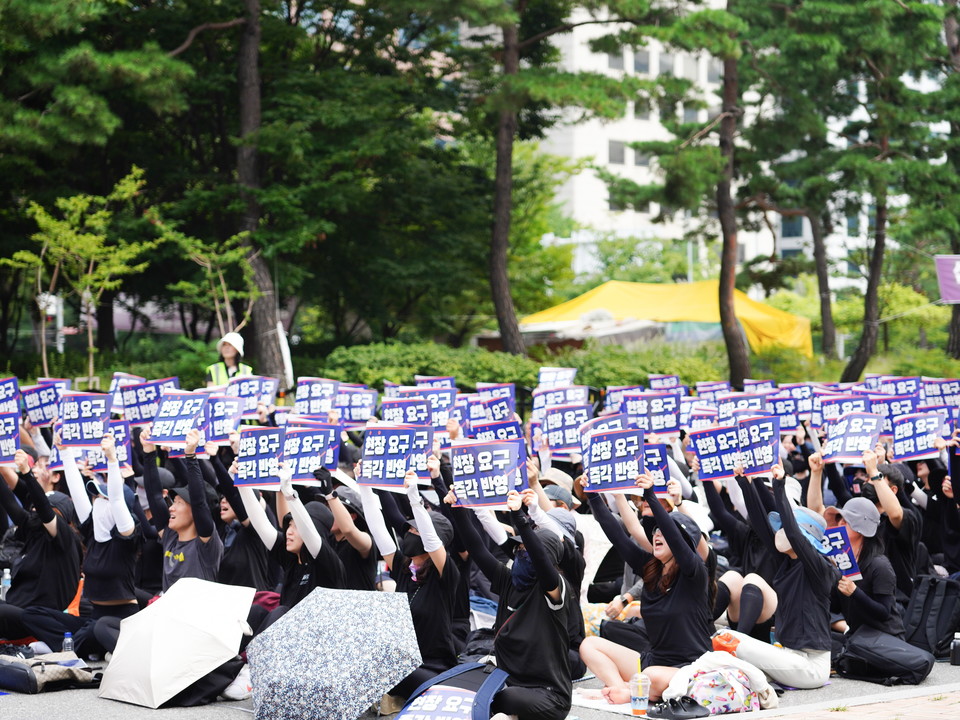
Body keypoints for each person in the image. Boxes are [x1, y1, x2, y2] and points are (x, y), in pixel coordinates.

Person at [579, 473, 712, 704]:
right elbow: (617, 536)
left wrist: (650, 495)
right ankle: (621, 689)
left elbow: (679, 542)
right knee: (589, 645)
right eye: (655, 531)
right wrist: (592, 496)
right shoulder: (651, 569)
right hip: (653, 661)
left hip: (691, 668)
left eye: (664, 530)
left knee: (649, 677)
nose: (657, 534)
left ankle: (632, 691)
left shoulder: (695, 573)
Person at [447, 486, 573, 720]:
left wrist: (520, 518)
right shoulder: (508, 580)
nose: (520, 553)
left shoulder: (554, 589)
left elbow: (542, 562)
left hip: (547, 696)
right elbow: (477, 548)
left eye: (526, 549)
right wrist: (456, 508)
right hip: (505, 682)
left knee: (500, 698)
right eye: (519, 548)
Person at [720, 461, 839, 689]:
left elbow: (794, 534)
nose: (779, 533)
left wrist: (779, 483)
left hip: (811, 666)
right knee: (726, 640)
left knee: (729, 641)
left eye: (784, 528)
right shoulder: (786, 561)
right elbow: (761, 523)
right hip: (787, 654)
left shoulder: (819, 568)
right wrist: (745, 481)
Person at [21, 433, 142, 656]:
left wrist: (112, 460)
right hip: (92, 618)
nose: (98, 503)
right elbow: (79, 494)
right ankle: (68, 647)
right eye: (96, 499)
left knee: (97, 628)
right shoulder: (92, 534)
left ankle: (64, 649)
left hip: (118, 621)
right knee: (32, 614)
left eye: (102, 499)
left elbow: (115, 498)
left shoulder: (126, 537)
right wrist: (65, 452)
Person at [358, 468, 460, 707]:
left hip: (434, 669)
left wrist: (414, 497)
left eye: (416, 530)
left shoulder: (445, 574)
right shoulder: (404, 568)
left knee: (389, 672)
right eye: (411, 529)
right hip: (401, 663)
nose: (410, 533)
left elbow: (432, 538)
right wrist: (364, 484)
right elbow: (377, 528)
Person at [0, 449, 83, 642]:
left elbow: (45, 510)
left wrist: (27, 473)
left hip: (39, 619)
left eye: (40, 507)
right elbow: (9, 501)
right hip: (15, 614)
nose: (35, 511)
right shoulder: (34, 532)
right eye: (33, 508)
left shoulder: (65, 538)